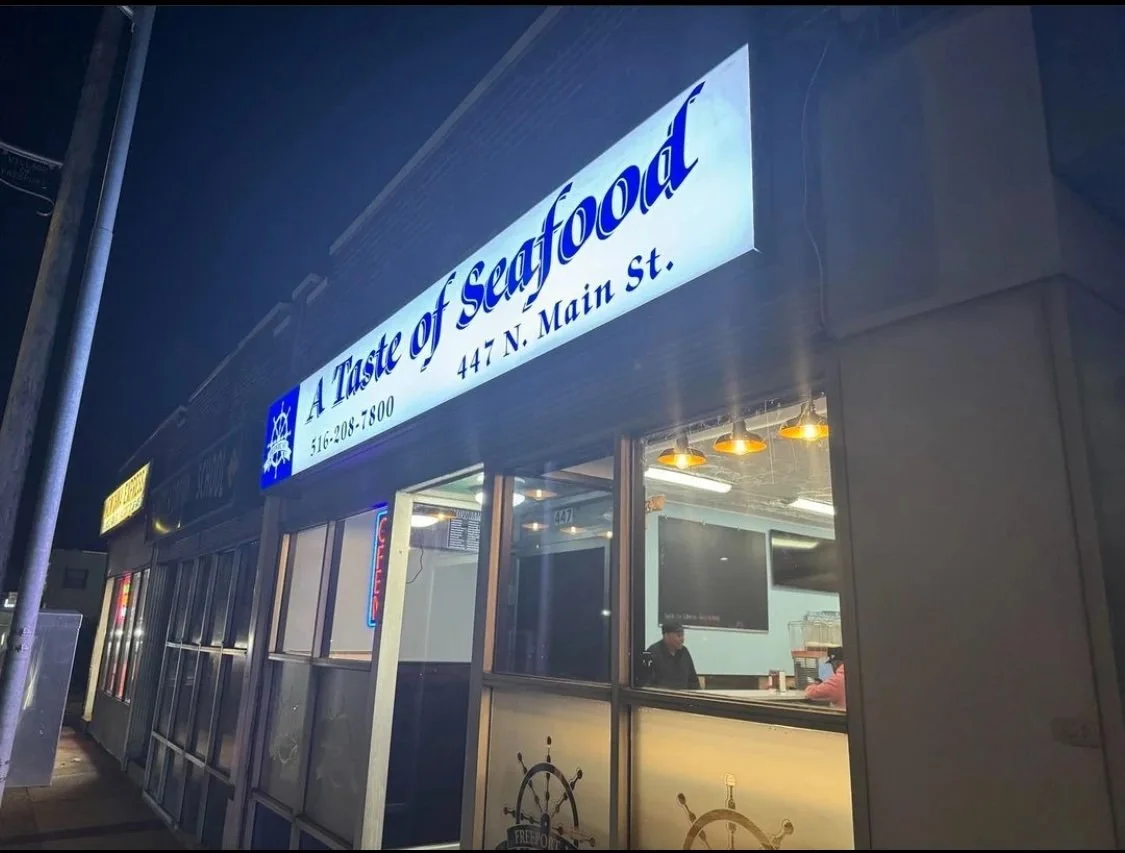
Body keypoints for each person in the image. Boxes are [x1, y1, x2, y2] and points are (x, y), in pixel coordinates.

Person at [644, 622, 700, 689]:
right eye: (679, 636)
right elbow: (646, 684)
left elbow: (693, 681)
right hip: (661, 697)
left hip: (684, 697)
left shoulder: (684, 652)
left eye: (683, 635)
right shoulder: (651, 653)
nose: (682, 639)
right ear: (666, 636)